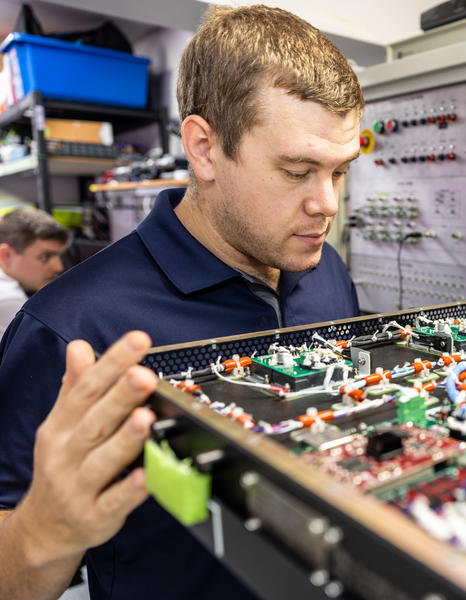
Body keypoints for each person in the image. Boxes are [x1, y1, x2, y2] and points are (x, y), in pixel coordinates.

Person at [0, 5, 363, 600]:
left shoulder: (326, 272)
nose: (327, 204)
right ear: (203, 148)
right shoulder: (68, 327)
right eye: (297, 170)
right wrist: (45, 531)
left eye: (340, 172)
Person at [0, 207, 68, 333]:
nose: (58, 267)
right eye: (45, 256)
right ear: (6, 255)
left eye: (60, 256)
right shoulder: (9, 301)